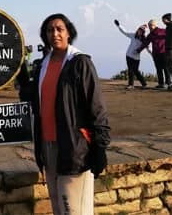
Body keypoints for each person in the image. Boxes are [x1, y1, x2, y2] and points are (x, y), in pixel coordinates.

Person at [19, 13, 111, 214]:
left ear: (69, 33)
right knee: (58, 207)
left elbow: (96, 106)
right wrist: (22, 78)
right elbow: (36, 100)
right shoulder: (43, 64)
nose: (55, 33)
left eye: (60, 29)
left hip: (74, 147)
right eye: (50, 30)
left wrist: (100, 148)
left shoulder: (80, 63)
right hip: (47, 146)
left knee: (74, 209)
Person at [114, 20, 149, 89]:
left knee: (136, 71)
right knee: (130, 70)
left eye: (141, 31)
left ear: (143, 33)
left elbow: (148, 48)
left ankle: (144, 84)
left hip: (136, 58)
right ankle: (131, 85)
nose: (140, 31)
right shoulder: (133, 35)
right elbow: (125, 32)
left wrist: (152, 53)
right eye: (139, 30)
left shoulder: (144, 40)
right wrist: (119, 25)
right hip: (129, 56)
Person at [138, 20, 168, 89]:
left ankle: (167, 83)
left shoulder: (162, 31)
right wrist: (139, 50)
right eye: (149, 26)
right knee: (158, 69)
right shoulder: (150, 35)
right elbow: (145, 43)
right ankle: (161, 84)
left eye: (151, 25)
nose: (150, 27)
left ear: (155, 25)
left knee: (166, 69)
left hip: (163, 53)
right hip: (156, 54)